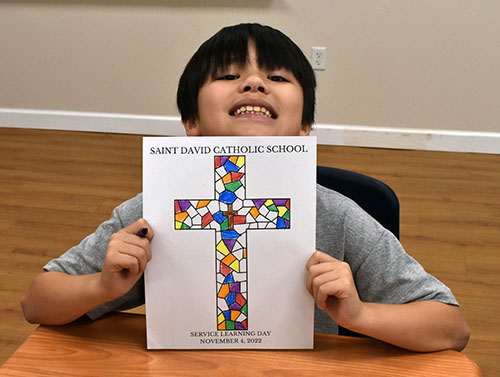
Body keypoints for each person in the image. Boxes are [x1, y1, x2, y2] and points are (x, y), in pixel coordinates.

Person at [21, 23, 470, 352]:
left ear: (304, 129)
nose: (254, 82)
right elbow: (37, 303)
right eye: (228, 75)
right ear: (191, 123)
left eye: (276, 78)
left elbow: (451, 327)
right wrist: (102, 286)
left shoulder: (336, 217)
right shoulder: (151, 214)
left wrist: (359, 315)